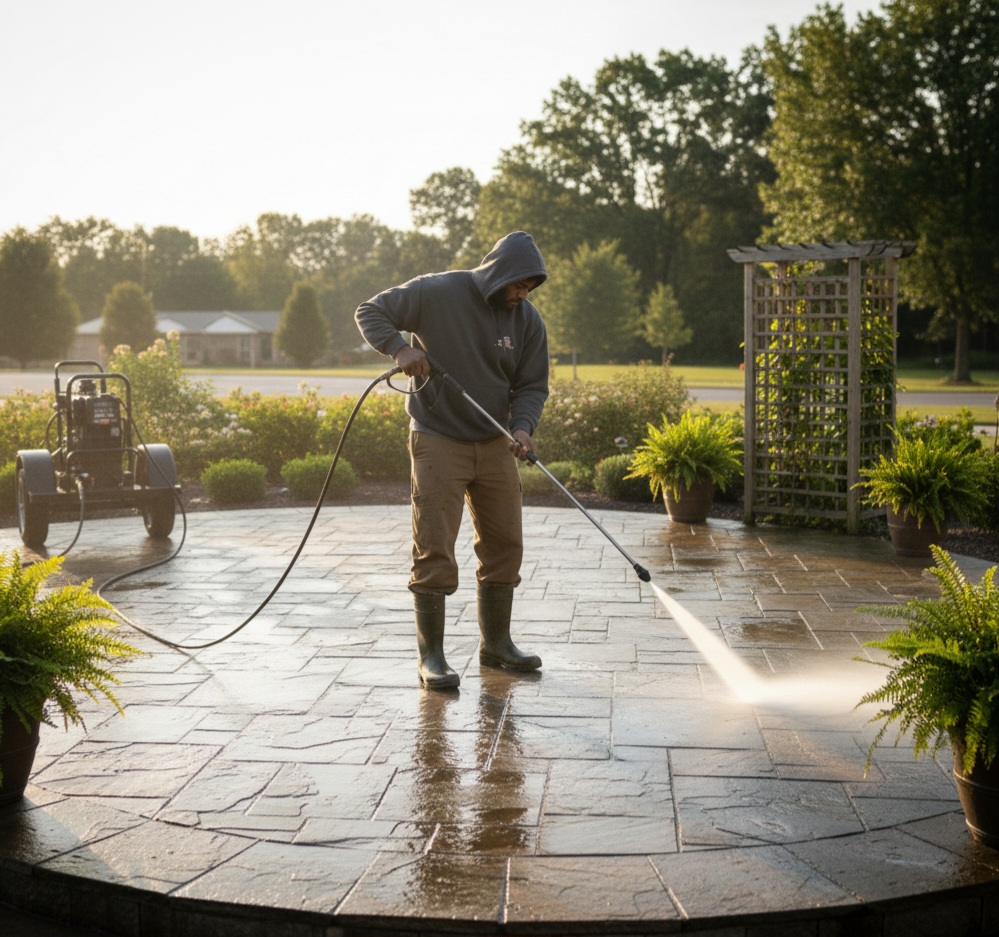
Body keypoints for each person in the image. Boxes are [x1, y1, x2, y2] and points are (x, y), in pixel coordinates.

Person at [354, 231, 549, 690]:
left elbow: (532, 385)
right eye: (521, 284)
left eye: (531, 288)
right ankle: (432, 657)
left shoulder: (528, 320)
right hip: (437, 435)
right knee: (435, 545)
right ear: (501, 271)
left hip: (496, 441)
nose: (524, 294)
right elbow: (370, 310)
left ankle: (496, 645)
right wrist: (400, 349)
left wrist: (522, 428)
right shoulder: (436, 291)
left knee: (506, 544)